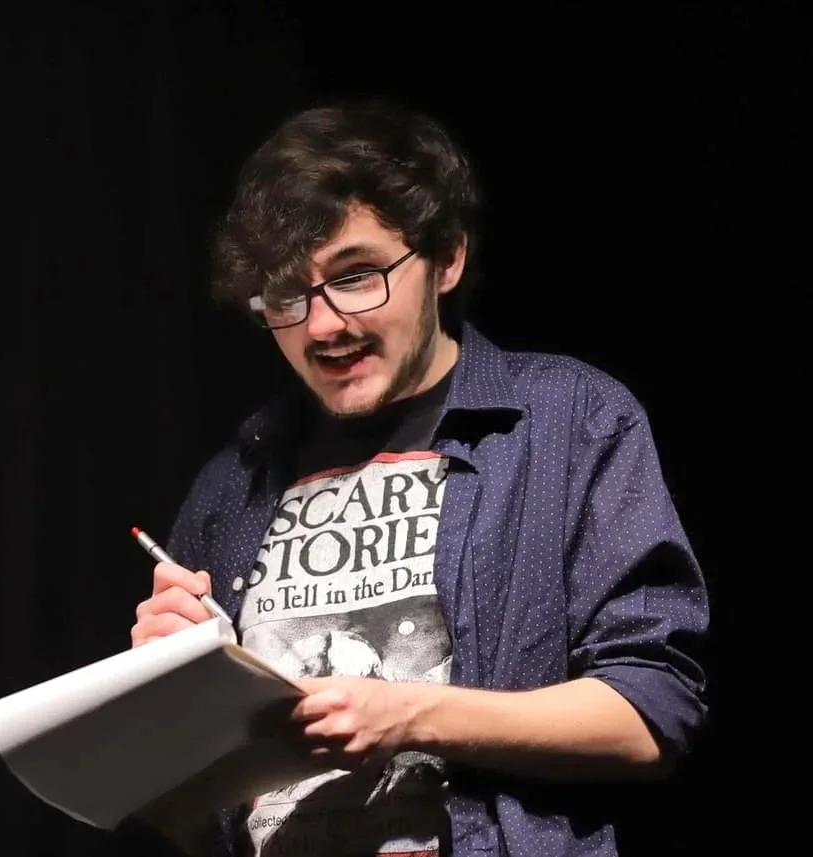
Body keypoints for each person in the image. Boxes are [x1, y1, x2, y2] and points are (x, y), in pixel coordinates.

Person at [128, 96, 710, 857]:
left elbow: (651, 712)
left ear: (447, 258)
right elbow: (189, 817)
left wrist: (409, 715)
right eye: (288, 293)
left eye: (356, 275)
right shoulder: (233, 483)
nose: (322, 324)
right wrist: (171, 689)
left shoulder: (569, 421)